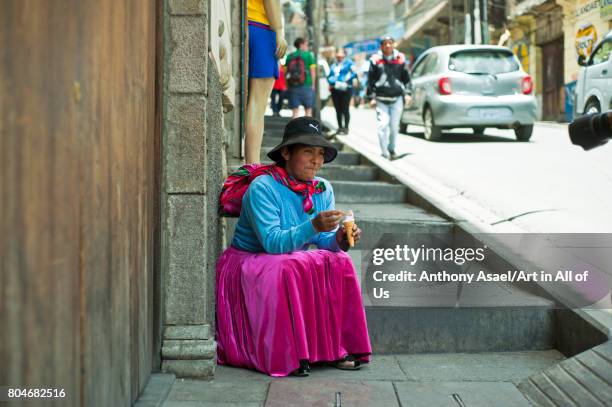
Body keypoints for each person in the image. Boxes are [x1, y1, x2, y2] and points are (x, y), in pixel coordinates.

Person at [216, 117, 372, 377]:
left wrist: (340, 240)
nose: (317, 161)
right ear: (286, 153)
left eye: (321, 153)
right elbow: (272, 243)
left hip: (286, 259)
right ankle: (290, 354)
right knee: (290, 264)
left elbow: (324, 242)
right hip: (248, 260)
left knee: (340, 260)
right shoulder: (262, 187)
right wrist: (313, 225)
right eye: (308, 152)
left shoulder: (322, 189)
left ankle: (335, 347)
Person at [245, 0, 288, 163]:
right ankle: (252, 164)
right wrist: (279, 31)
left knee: (247, 103)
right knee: (257, 106)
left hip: (244, 26)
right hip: (262, 28)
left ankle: (249, 164)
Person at [367, 36, 412, 160]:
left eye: (390, 43)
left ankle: (391, 149)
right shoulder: (375, 60)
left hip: (397, 98)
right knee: (383, 125)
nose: (387, 46)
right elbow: (370, 81)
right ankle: (384, 152)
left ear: (393, 45)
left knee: (394, 126)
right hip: (381, 99)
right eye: (385, 44)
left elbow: (407, 79)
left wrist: (407, 94)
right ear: (381, 46)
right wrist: (371, 97)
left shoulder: (400, 59)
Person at [285, 38, 317, 118]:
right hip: (307, 85)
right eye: (306, 44)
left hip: (293, 86)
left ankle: (295, 129)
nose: (307, 46)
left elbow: (285, 72)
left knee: (295, 112)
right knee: (308, 111)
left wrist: (288, 85)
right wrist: (313, 85)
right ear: (301, 45)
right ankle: (308, 130)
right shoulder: (308, 55)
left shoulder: (289, 56)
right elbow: (313, 72)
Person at [327, 49, 357, 134]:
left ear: (344, 55)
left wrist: (345, 79)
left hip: (346, 89)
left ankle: (346, 127)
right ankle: (340, 127)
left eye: (341, 56)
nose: (339, 57)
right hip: (335, 89)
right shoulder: (333, 65)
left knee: (345, 108)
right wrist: (332, 81)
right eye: (338, 56)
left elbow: (354, 74)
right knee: (338, 109)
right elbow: (329, 76)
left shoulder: (349, 64)